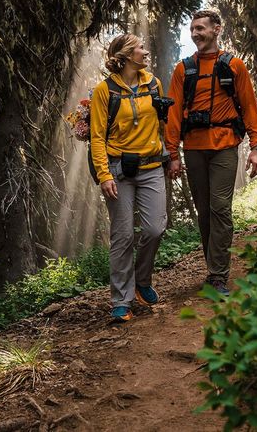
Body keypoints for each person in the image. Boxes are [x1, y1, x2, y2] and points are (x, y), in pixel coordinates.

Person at [165, 10, 257, 295]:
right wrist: (172, 154)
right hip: (194, 149)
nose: (195, 34)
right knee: (205, 211)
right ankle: (213, 268)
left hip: (224, 147)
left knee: (220, 208)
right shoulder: (183, 69)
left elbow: (249, 107)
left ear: (216, 29)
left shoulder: (234, 66)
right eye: (193, 29)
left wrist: (256, 147)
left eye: (201, 29)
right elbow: (173, 115)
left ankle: (219, 274)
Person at [90, 34, 169, 323]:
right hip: (119, 172)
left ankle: (142, 281)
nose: (145, 51)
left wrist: (170, 155)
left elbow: (163, 124)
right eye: (139, 48)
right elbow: (97, 137)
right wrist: (104, 174)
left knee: (155, 229)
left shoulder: (154, 84)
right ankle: (120, 301)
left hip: (151, 168)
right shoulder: (104, 91)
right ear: (124, 56)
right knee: (122, 236)